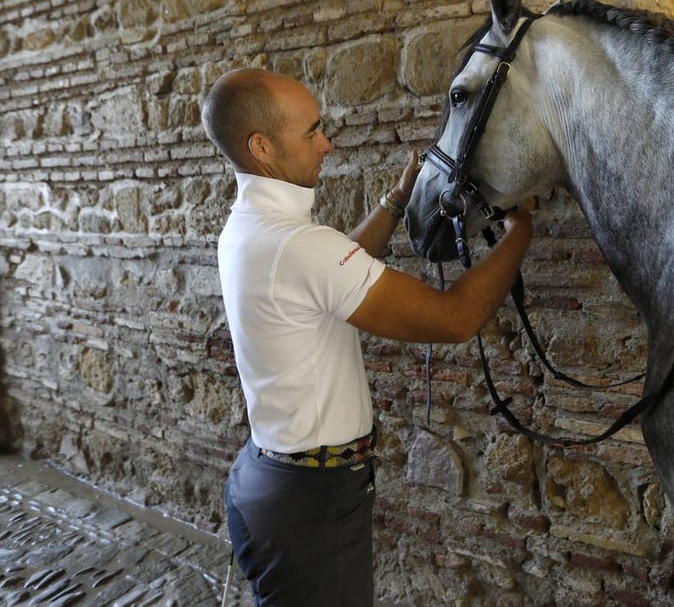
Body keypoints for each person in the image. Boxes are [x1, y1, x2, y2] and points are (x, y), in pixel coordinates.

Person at [201, 68, 533, 606]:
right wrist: (520, 236)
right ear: (261, 146)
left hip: (267, 477)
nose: (327, 144)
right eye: (311, 132)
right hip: (311, 499)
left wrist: (398, 200)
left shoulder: (250, 228)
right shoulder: (299, 246)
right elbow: (454, 318)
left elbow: (333, 274)